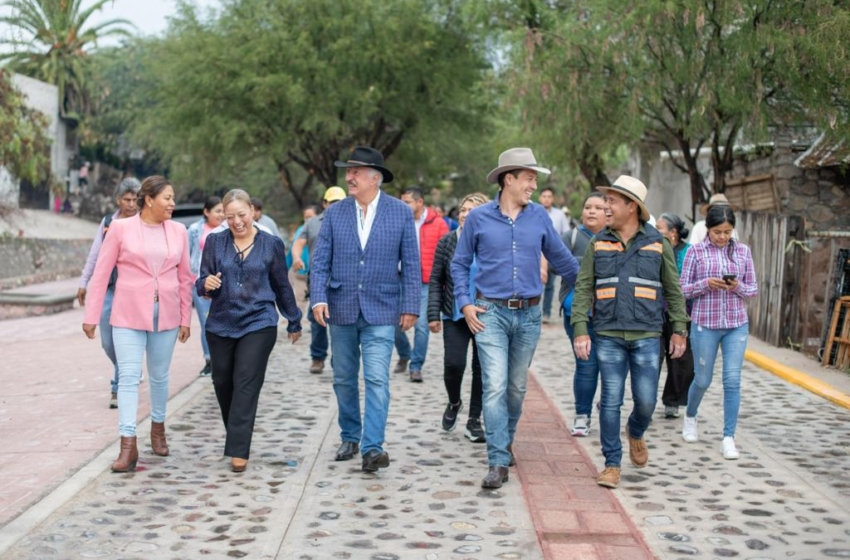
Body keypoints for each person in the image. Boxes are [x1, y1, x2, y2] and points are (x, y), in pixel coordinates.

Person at [451, 147, 579, 489]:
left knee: (516, 388)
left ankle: (504, 439)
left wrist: (595, 285)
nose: (534, 185)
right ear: (509, 179)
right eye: (529, 178)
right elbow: (459, 263)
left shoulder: (539, 217)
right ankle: (496, 459)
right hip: (489, 313)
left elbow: (562, 260)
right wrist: (464, 303)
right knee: (494, 385)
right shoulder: (478, 218)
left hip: (529, 315)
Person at [571, 175, 689, 489]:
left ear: (631, 206)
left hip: (648, 335)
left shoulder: (657, 243)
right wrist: (581, 329)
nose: (606, 207)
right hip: (607, 333)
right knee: (610, 400)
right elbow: (583, 288)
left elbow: (673, 291)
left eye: (612, 201)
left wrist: (679, 329)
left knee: (647, 401)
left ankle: (635, 432)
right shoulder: (598, 243)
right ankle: (612, 463)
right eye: (605, 201)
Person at [310, 146, 419, 473]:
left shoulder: (399, 212)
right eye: (348, 172)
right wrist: (318, 297)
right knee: (343, 377)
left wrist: (411, 304)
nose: (349, 177)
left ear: (375, 177)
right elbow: (320, 262)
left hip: (382, 309)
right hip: (341, 307)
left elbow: (411, 264)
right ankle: (350, 435)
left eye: (355, 172)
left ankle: (373, 447)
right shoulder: (335, 212)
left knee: (376, 379)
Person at [82, 176, 193, 472]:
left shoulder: (179, 231)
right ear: (149, 199)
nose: (172, 203)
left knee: (158, 376)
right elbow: (102, 273)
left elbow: (185, 278)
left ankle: (158, 428)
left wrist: (185, 318)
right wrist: (91, 316)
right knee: (129, 376)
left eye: (172, 198)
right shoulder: (119, 228)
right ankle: (128, 446)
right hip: (127, 313)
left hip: (166, 315)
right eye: (167, 198)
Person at [196, 189, 303, 472]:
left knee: (246, 381)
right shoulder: (215, 243)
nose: (236, 221)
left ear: (253, 212)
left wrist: (293, 318)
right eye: (229, 216)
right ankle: (237, 434)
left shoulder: (271, 245)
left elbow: (282, 285)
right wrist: (205, 284)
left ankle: (238, 450)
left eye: (241, 215)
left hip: (259, 322)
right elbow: (201, 280)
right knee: (223, 383)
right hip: (220, 323)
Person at [679, 206, 758, 460]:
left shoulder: (744, 251)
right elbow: (682, 289)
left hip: (736, 324)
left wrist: (736, 287)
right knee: (702, 379)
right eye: (717, 232)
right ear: (707, 229)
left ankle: (728, 437)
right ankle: (690, 416)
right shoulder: (696, 252)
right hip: (705, 324)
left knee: (732, 381)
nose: (722, 237)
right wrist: (706, 284)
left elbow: (753, 290)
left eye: (727, 232)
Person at [428, 192, 490, 443]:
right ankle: (454, 402)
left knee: (481, 369)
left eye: (472, 210)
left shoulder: (491, 242)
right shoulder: (447, 242)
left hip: (487, 314)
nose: (465, 214)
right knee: (453, 365)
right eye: (463, 210)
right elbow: (436, 279)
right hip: (454, 314)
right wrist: (433, 314)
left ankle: (474, 420)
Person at [77, 177, 141, 409]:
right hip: (109, 290)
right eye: (127, 199)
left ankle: (117, 386)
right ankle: (131, 369)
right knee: (108, 342)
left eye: (135, 200)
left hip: (134, 292)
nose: (132, 204)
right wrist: (84, 281)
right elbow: (96, 254)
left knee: (124, 340)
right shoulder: (107, 223)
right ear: (118, 200)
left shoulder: (144, 222)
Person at [558, 191, 607, 437]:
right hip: (577, 312)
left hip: (611, 313)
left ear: (608, 213)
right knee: (587, 364)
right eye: (588, 206)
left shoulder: (617, 238)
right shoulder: (571, 237)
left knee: (611, 365)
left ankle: (607, 405)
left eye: (598, 208)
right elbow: (562, 267)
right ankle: (582, 415)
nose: (591, 211)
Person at [394, 186, 449, 382]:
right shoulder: (397, 221)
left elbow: (446, 254)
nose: (403, 205)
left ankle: (415, 366)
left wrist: (442, 282)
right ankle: (404, 353)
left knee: (422, 326)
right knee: (393, 322)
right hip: (399, 278)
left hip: (426, 282)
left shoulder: (438, 223)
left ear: (419, 202)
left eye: (407, 202)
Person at [291, 186, 348, 374]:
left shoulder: (352, 221)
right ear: (324, 203)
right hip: (318, 277)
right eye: (332, 202)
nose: (335, 205)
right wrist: (297, 257)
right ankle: (317, 357)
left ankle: (339, 359)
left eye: (339, 202)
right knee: (317, 320)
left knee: (341, 321)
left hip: (344, 278)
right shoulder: (313, 223)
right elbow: (299, 243)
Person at [655, 213, 695, 419]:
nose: (655, 230)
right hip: (654, 311)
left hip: (681, 312)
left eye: (659, 228)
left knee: (681, 361)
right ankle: (646, 401)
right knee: (654, 358)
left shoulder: (689, 252)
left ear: (673, 232)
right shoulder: (652, 247)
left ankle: (672, 399)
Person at [187, 196, 225, 376]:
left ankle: (223, 359)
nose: (221, 215)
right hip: (200, 283)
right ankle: (210, 360)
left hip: (224, 284)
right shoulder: (195, 230)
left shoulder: (228, 228)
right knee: (207, 323)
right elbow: (186, 255)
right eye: (217, 211)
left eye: (223, 211)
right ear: (206, 212)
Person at [538, 187, 571, 323]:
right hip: (534, 254)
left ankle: (546, 313)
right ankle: (533, 311)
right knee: (534, 283)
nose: (546, 198)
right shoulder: (531, 211)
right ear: (540, 198)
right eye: (544, 196)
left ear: (553, 199)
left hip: (551, 255)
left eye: (549, 196)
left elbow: (566, 233)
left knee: (550, 285)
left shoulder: (559, 215)